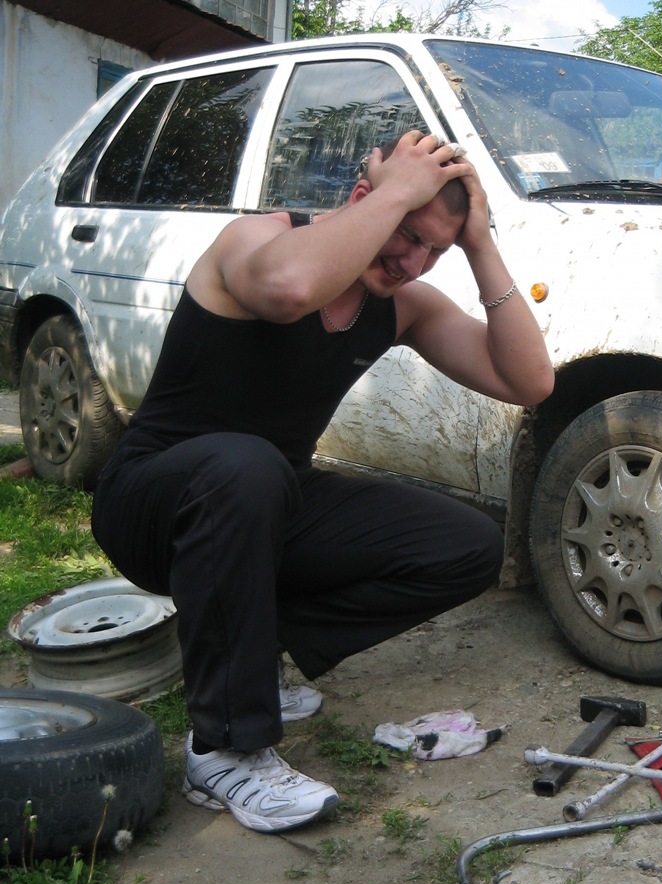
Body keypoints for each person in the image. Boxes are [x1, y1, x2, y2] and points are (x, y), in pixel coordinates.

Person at [91, 130, 554, 834]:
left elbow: (530, 381)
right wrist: (397, 188)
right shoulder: (260, 241)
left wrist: (480, 244)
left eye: (434, 247)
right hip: (152, 501)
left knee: (465, 543)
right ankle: (225, 748)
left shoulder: (403, 306)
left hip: (264, 504)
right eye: (405, 231)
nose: (412, 259)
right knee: (246, 465)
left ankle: (249, 650)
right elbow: (289, 289)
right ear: (366, 195)